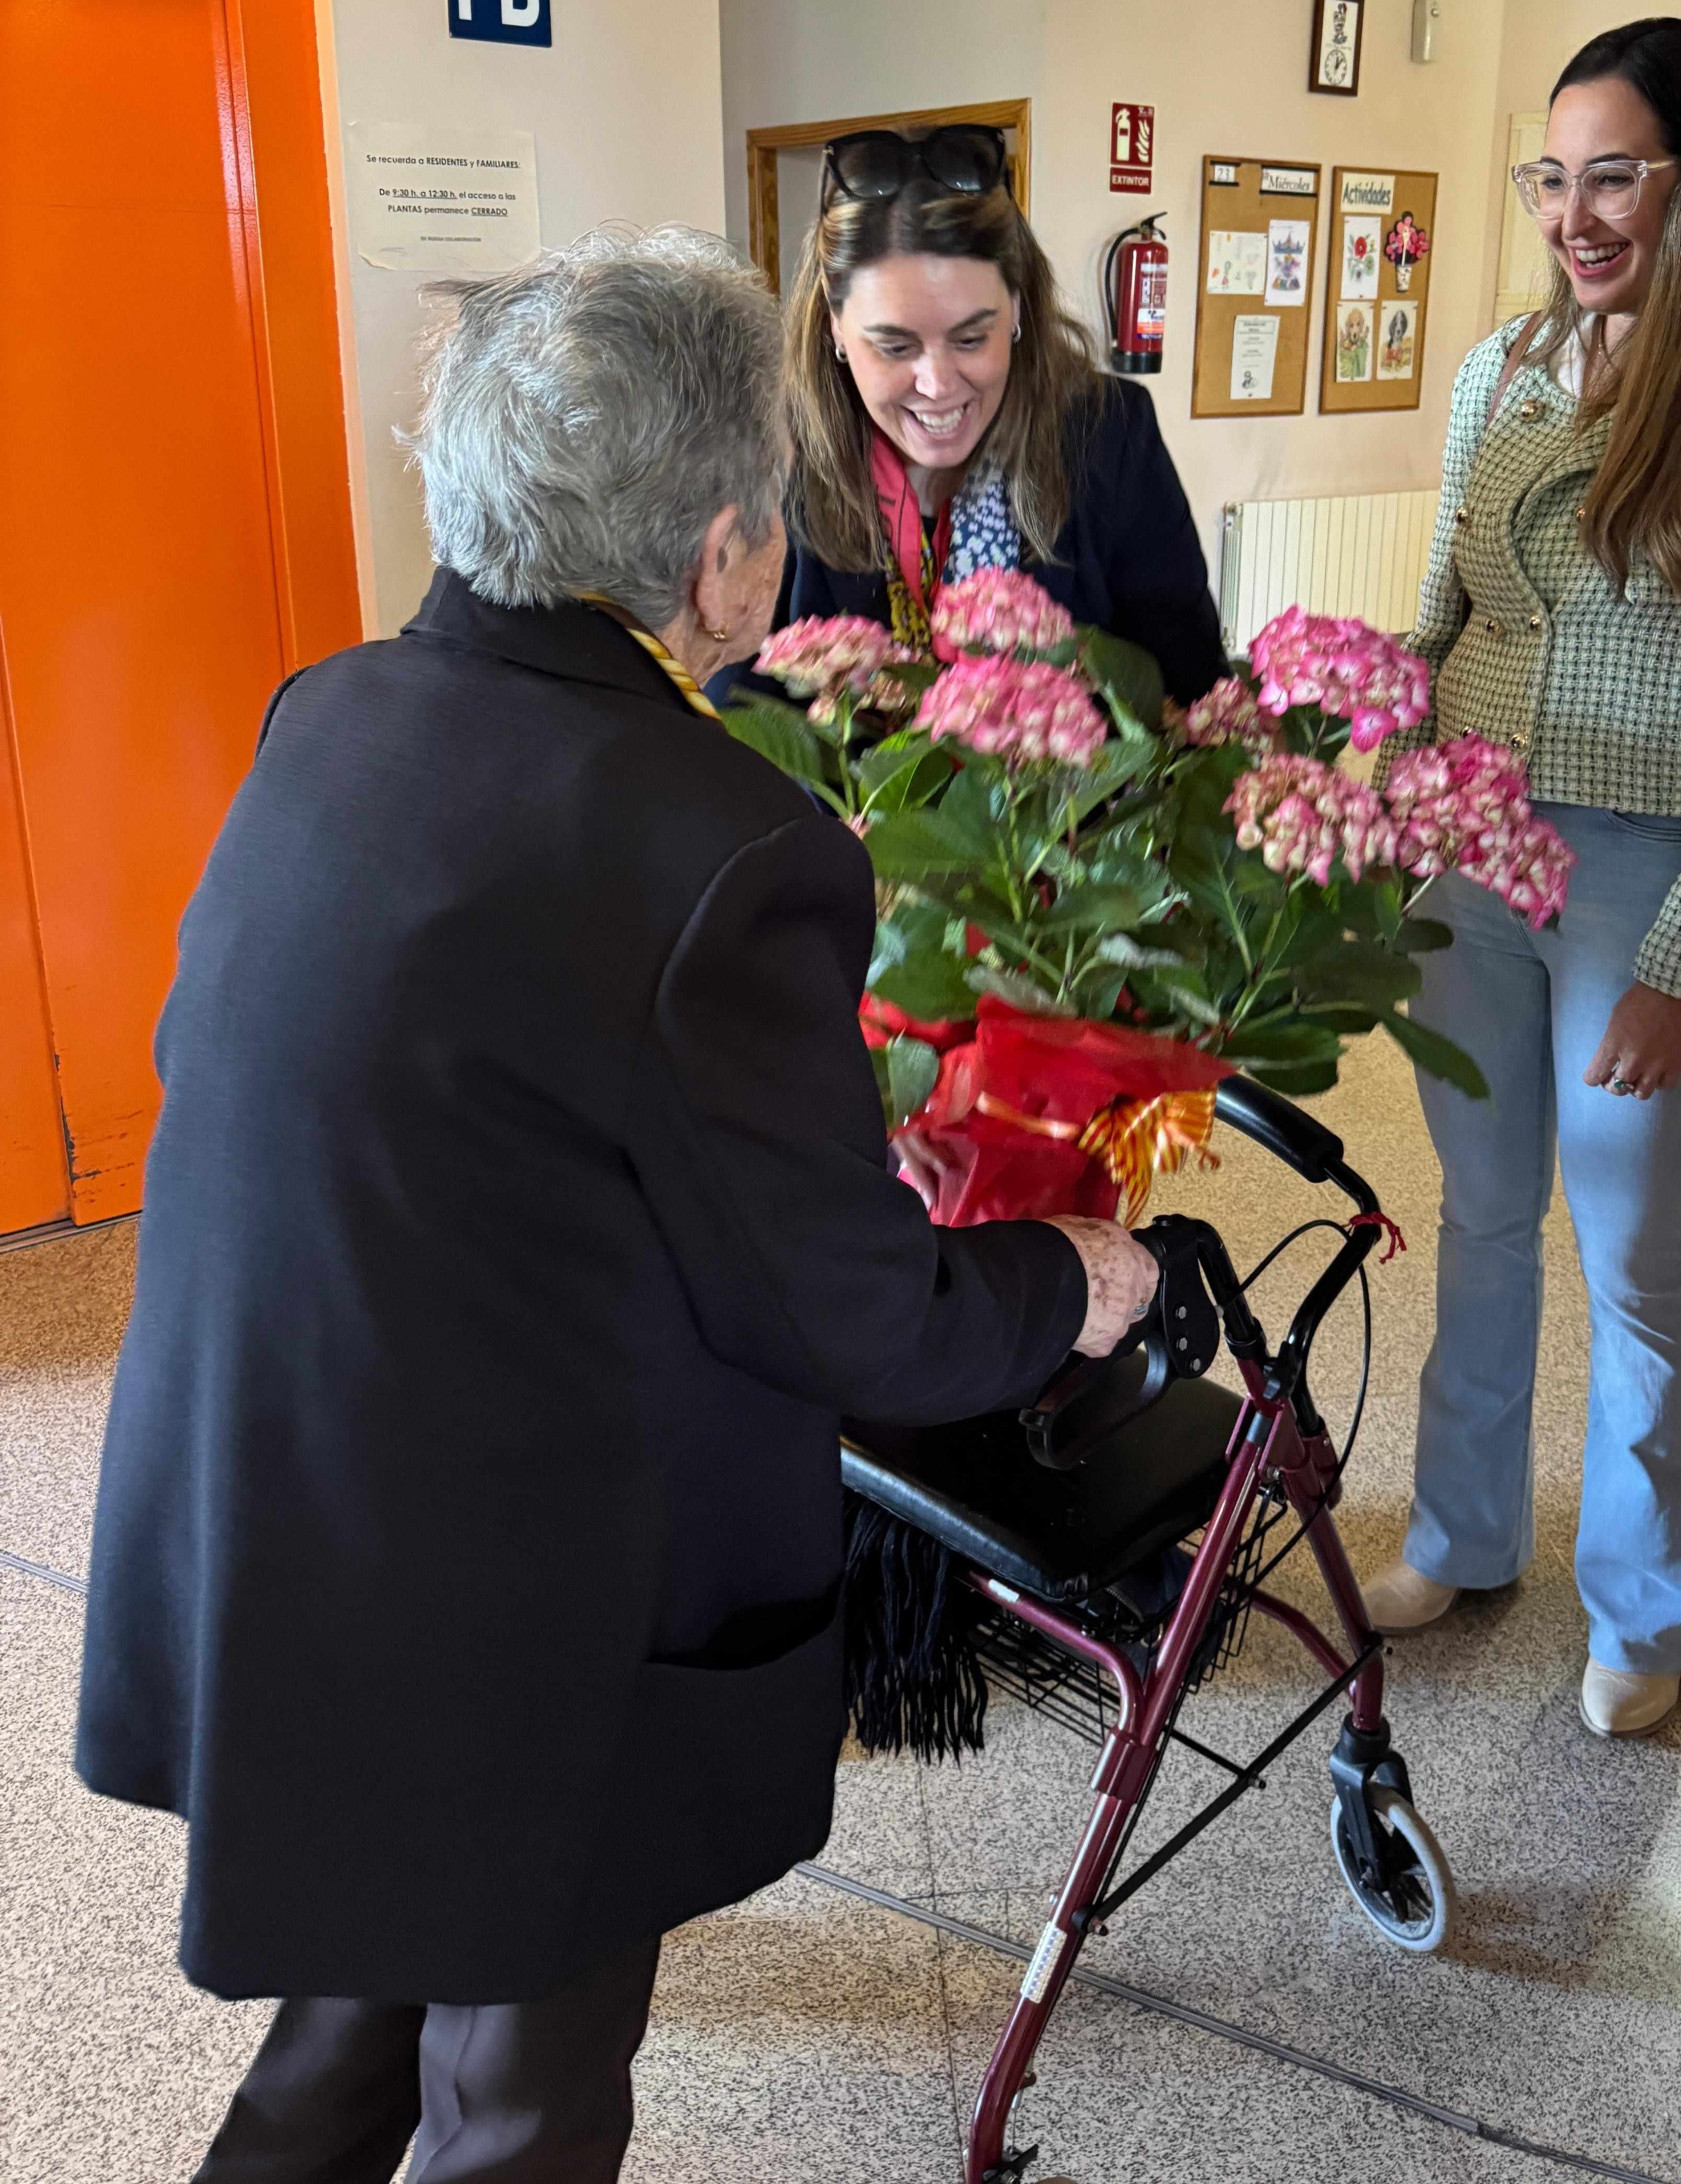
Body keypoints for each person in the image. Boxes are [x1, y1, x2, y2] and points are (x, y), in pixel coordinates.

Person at [74, 227, 1157, 2184]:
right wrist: (1063, 1278)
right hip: (509, 1578)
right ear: (727, 548)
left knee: (359, 1999)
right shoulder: (719, 835)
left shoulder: (330, 716)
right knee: (523, 2087)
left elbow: (477, 1102)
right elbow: (851, 1321)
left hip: (292, 1490)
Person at [1363, 18, 1681, 1739]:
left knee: (1633, 1246)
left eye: (1616, 176)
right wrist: (1360, 745)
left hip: (1647, 871)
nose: (1576, 214)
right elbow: (1446, 588)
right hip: (1466, 838)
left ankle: (1648, 1613)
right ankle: (1463, 1533)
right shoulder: (1510, 362)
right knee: (1481, 1205)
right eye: (1555, 177)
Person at [773, 122, 1225, 701]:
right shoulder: (784, 459)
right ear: (835, 325)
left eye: (970, 340)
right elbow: (740, 714)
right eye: (895, 346)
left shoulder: (1108, 437)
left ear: (1015, 308)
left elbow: (1194, 693)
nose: (936, 385)